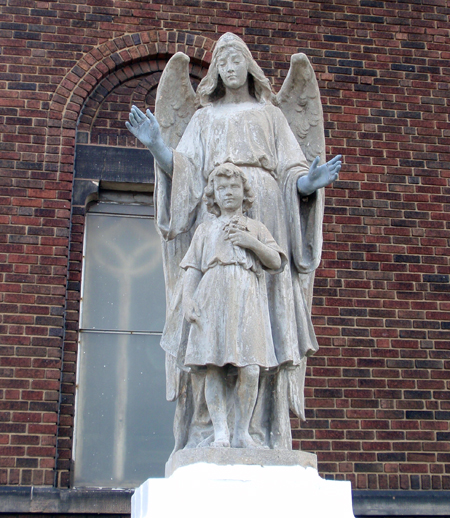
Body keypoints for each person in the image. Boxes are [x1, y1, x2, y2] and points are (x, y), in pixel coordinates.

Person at [126, 33, 342, 450]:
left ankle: (263, 429)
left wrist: (307, 183)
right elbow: (185, 170)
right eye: (221, 60)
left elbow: (292, 169)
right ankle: (211, 431)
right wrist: (156, 145)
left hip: (267, 209)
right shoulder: (204, 119)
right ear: (215, 72)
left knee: (264, 323)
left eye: (236, 58)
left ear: (248, 65)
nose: (229, 65)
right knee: (217, 318)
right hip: (217, 212)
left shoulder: (271, 115)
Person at [181, 163, 287, 448]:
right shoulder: (205, 230)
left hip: (246, 296)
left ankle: (242, 432)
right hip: (212, 295)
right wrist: (188, 300)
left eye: (234, 187)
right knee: (213, 365)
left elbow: (276, 262)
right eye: (222, 188)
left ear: (244, 192)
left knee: (250, 368)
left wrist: (250, 242)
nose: (228, 192)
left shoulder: (257, 227)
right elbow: (192, 269)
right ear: (213, 194)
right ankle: (220, 433)